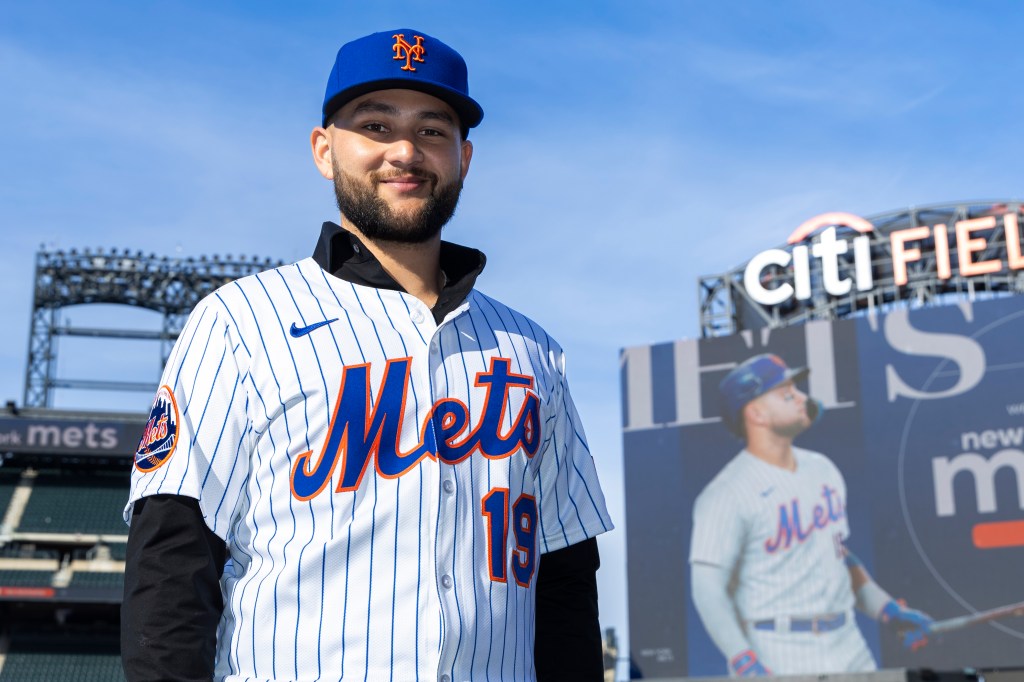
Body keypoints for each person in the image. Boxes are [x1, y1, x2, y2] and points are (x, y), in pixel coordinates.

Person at [121, 29, 613, 682]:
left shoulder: (533, 353)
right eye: (375, 125)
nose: (405, 152)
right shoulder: (239, 322)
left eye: (433, 131)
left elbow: (564, 577)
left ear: (464, 156)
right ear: (325, 150)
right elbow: (173, 556)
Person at [688, 353, 931, 677]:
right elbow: (707, 588)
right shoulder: (725, 493)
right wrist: (742, 658)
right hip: (776, 648)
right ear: (756, 413)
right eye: (787, 393)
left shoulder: (822, 468)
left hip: (849, 644)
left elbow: (837, 554)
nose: (802, 398)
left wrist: (884, 607)